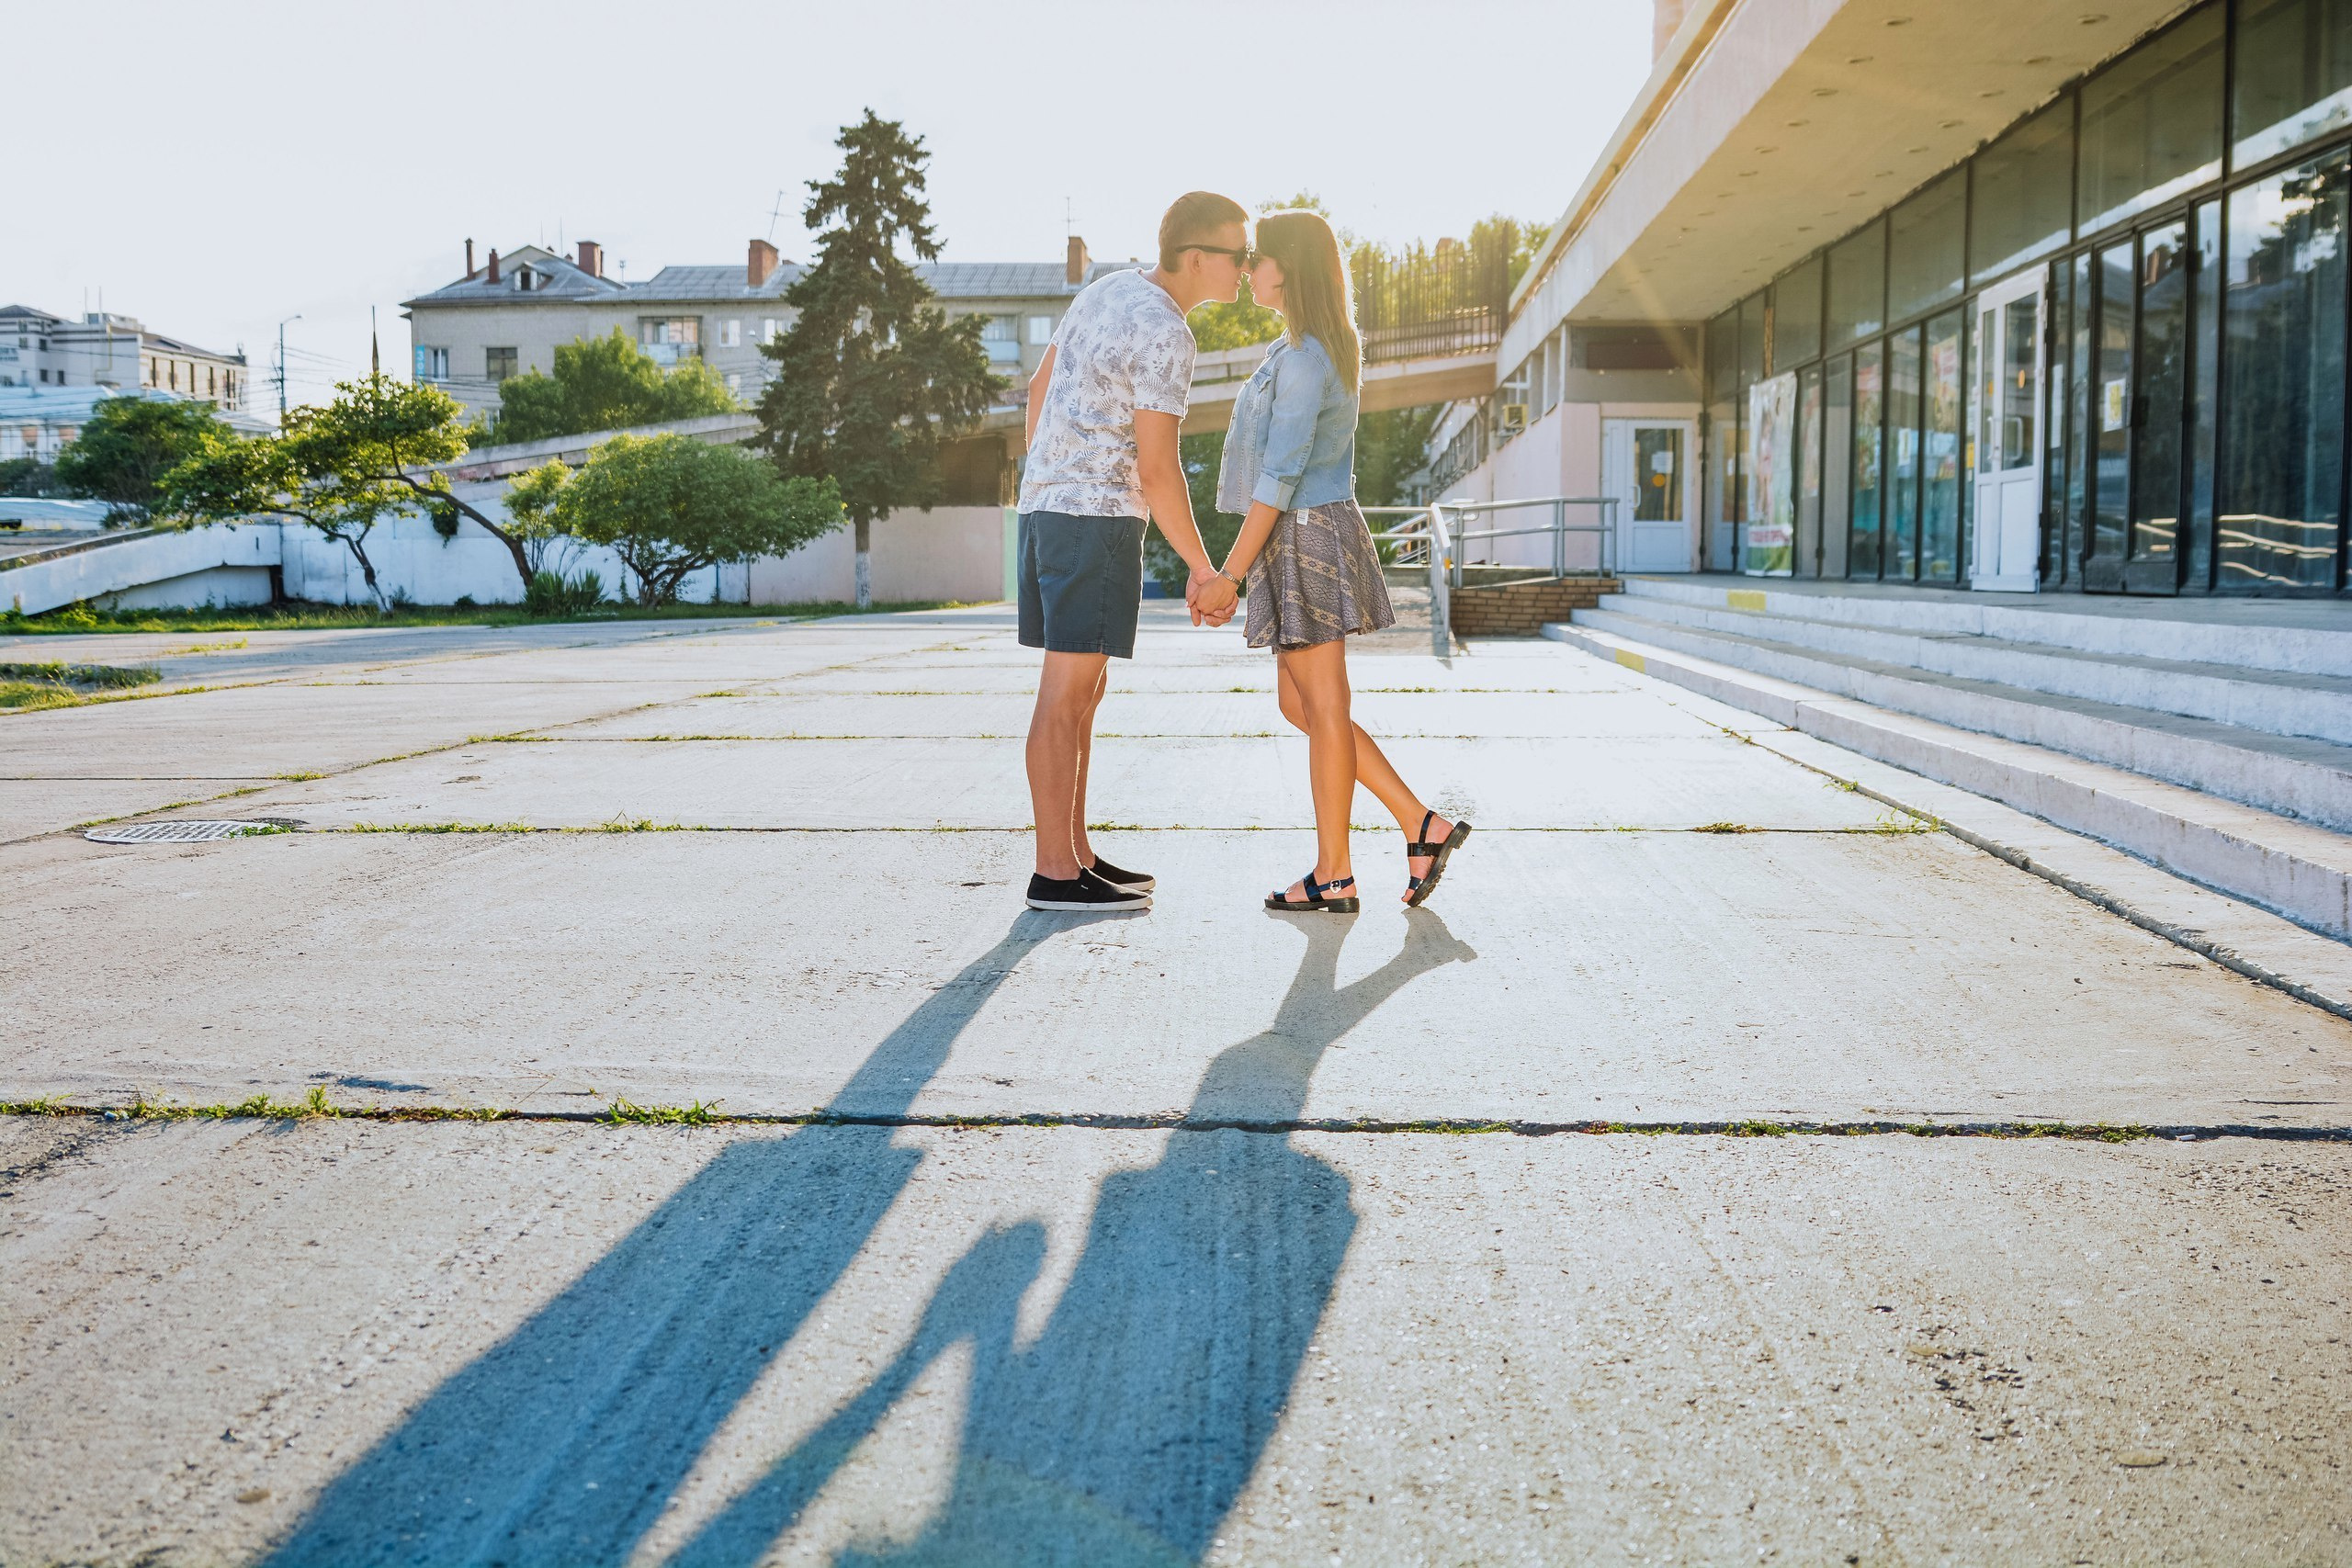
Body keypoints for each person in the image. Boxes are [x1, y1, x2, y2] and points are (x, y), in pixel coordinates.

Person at [1197, 209, 1471, 912]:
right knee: (1307, 704)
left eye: (1259, 256)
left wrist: (1228, 575)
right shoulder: (1306, 348)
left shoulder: (1310, 356)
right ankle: (1420, 824)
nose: (1250, 266)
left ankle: (1336, 872)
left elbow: (1279, 476)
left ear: (1289, 266)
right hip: (1306, 530)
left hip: (1307, 533)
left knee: (1321, 705)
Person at [1016, 191, 1249, 913]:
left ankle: (1077, 854)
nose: (1245, 269)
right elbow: (1158, 468)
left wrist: (1052, 481)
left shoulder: (1107, 288)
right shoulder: (1168, 332)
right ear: (1196, 258)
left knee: (1084, 692)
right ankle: (1054, 872)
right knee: (1065, 697)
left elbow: (1037, 390)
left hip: (1050, 509)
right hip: (1096, 522)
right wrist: (1206, 568)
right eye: (1237, 257)